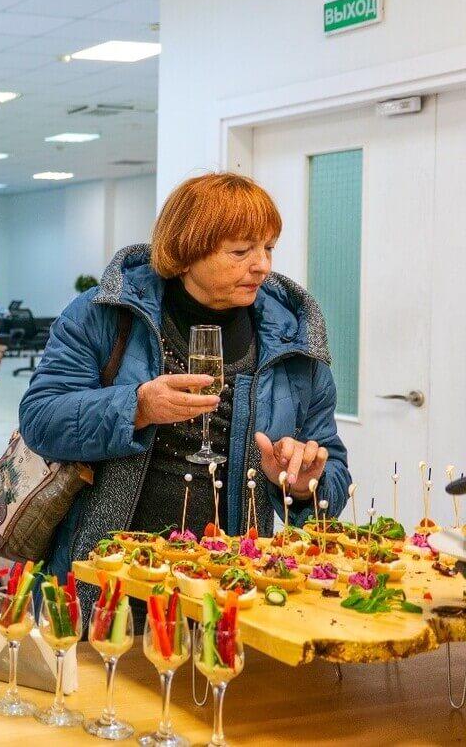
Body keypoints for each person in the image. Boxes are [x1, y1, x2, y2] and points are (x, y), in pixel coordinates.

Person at [19, 172, 350, 614]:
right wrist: (137, 407)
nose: (262, 265)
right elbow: (41, 420)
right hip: (111, 573)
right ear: (186, 251)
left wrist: (305, 485)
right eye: (240, 251)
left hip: (229, 584)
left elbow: (332, 469)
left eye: (268, 248)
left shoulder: (294, 340)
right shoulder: (106, 315)